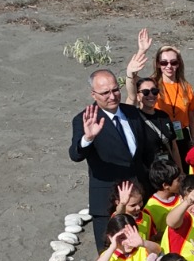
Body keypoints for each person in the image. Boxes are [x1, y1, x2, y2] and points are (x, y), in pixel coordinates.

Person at [70, 69, 163, 251]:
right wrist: (88, 139)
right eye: (105, 93)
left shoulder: (133, 113)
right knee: (110, 256)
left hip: (138, 198)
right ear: (93, 94)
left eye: (115, 90)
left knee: (143, 254)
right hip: (107, 201)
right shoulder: (85, 119)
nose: (112, 96)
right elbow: (75, 154)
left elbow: (145, 153)